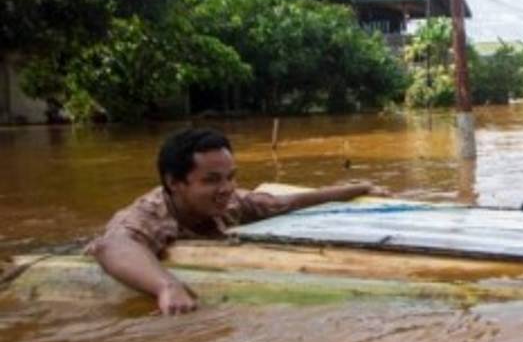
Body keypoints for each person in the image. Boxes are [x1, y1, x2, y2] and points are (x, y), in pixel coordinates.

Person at [88, 127, 393, 315]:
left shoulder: (229, 203)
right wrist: (165, 286)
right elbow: (112, 245)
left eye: (231, 178)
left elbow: (283, 203)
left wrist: (358, 189)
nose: (226, 190)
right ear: (174, 182)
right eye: (211, 181)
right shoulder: (151, 212)